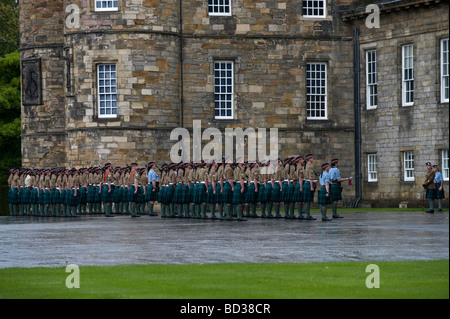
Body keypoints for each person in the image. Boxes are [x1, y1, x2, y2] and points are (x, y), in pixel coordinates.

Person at [302, 154, 317, 220]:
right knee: (308, 200)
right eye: (312, 158)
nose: (313, 159)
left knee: (306, 200)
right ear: (309, 159)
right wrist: (311, 186)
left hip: (305, 182)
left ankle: (307, 214)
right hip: (309, 183)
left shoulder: (305, 165)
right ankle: (308, 215)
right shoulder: (310, 166)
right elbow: (310, 177)